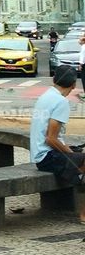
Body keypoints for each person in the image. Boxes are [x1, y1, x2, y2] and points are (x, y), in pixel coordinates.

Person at [30, 65, 85, 209]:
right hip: (47, 157)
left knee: (78, 155)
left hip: (39, 155)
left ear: (54, 80)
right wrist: (71, 153)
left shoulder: (46, 96)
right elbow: (51, 139)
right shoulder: (61, 102)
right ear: (73, 85)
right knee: (82, 161)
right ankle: (82, 213)